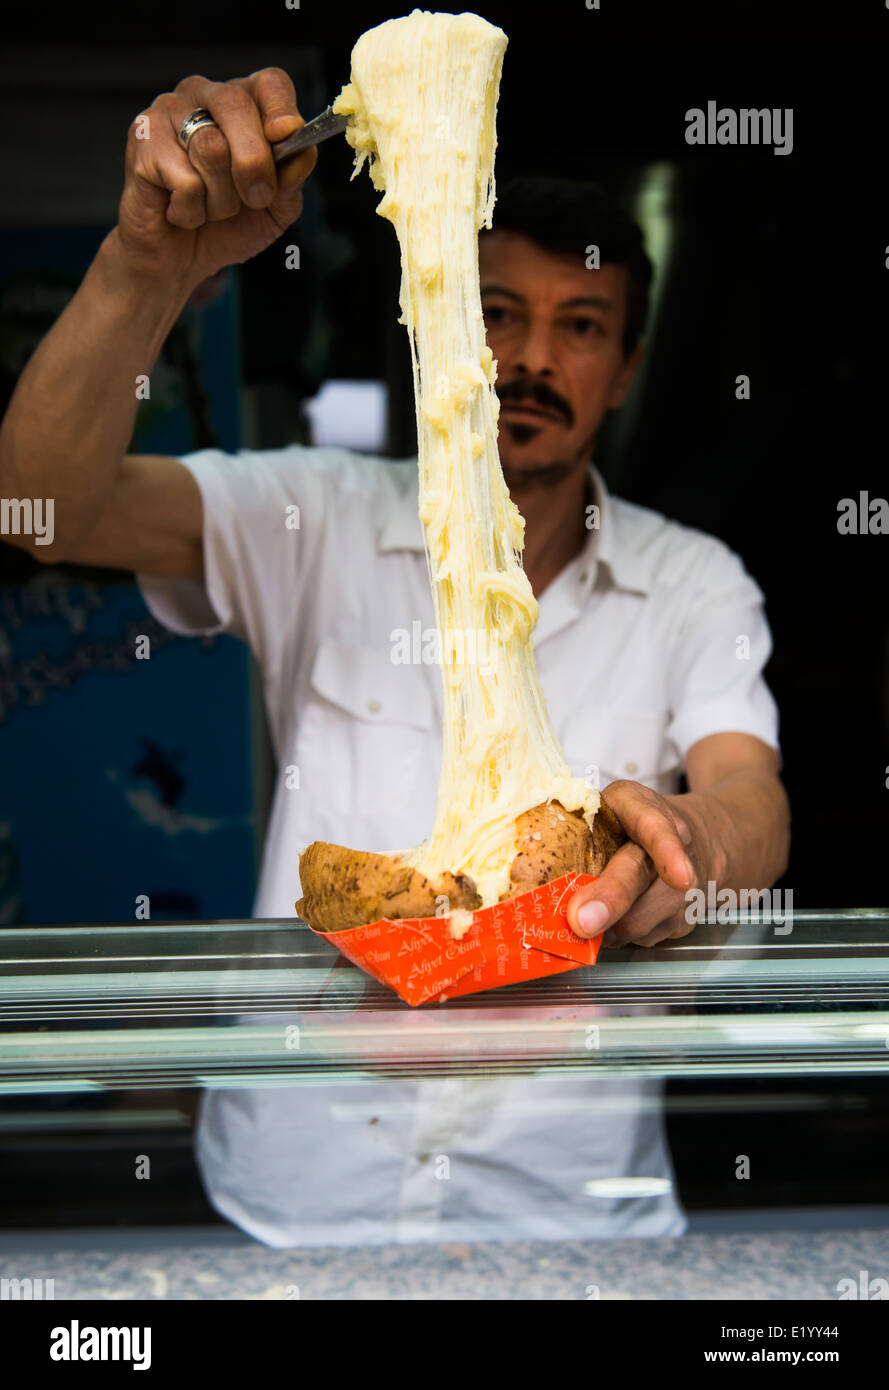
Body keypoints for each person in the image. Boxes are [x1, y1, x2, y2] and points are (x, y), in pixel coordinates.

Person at [0, 68, 790, 1246]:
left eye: (579, 327)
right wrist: (150, 263)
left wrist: (695, 843)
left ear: (623, 368)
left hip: (565, 1218)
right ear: (436, 320)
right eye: (495, 314)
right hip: (299, 1200)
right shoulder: (309, 513)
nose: (528, 359)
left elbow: (747, 792)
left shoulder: (690, 581)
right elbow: (38, 511)